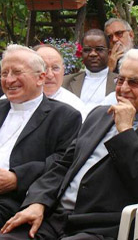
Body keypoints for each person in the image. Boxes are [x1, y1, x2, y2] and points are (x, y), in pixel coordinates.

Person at [0, 49, 138, 240]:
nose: (124, 88)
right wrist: (37, 202)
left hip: (101, 226)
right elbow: (63, 165)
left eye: (134, 82)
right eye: (120, 80)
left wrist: (126, 132)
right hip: (55, 217)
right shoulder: (99, 115)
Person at [0, 44, 82, 226]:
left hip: (19, 200)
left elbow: (63, 162)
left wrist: (17, 178)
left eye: (17, 72)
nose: (9, 80)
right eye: (4, 74)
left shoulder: (65, 116)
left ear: (40, 78)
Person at [63, 29, 117, 114]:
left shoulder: (120, 83)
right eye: (87, 50)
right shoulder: (65, 82)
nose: (93, 54)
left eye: (99, 49)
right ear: (81, 53)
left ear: (109, 53)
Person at [33, 44, 87, 121]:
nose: (50, 75)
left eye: (55, 68)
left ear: (63, 70)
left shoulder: (75, 106)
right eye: (44, 68)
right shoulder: (17, 100)